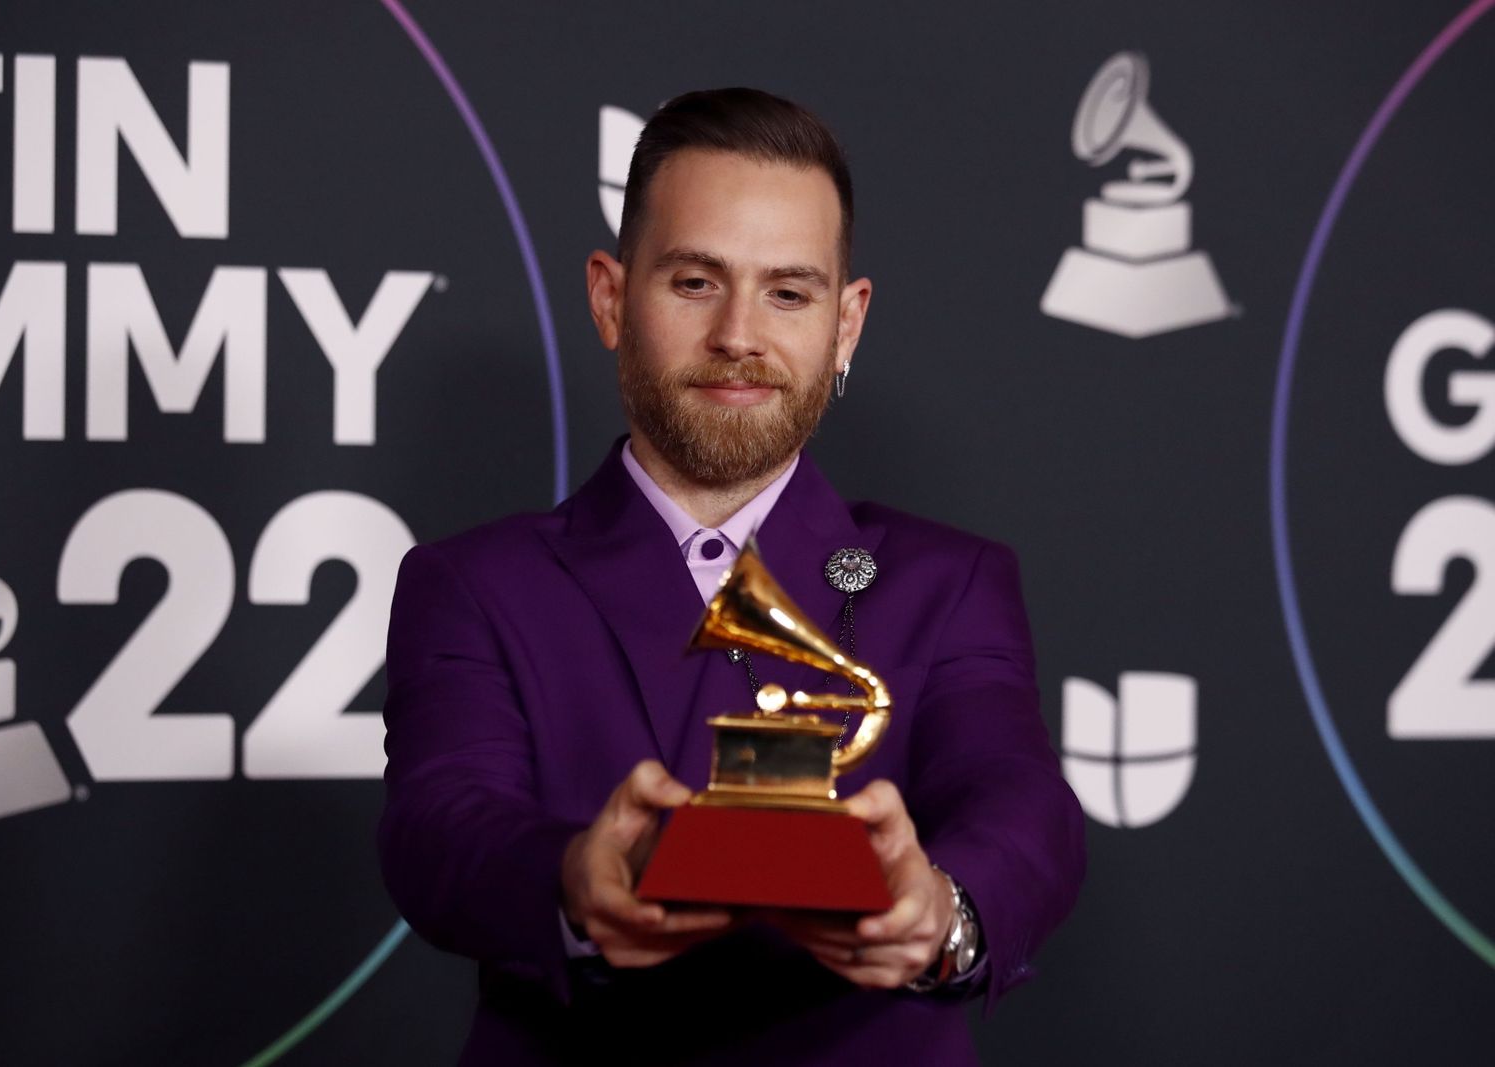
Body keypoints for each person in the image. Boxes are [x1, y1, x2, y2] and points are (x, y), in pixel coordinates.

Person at [378, 87, 1085, 1066]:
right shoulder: (472, 582)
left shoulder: (949, 578)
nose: (739, 337)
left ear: (846, 323)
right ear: (609, 297)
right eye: (695, 282)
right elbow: (439, 824)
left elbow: (1021, 801)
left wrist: (942, 910)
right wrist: (574, 877)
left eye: (788, 292)